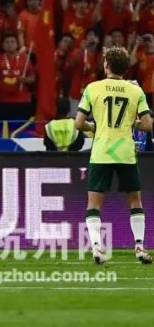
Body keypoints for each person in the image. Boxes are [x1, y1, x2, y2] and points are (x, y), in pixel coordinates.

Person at [74, 46, 154, 265]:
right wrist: (132, 123)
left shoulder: (93, 88)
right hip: (126, 153)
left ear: (106, 64)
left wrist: (96, 127)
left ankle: (97, 248)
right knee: (135, 200)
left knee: (94, 204)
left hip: (101, 152)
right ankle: (139, 246)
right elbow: (148, 124)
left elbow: (78, 123)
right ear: (125, 68)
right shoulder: (135, 91)